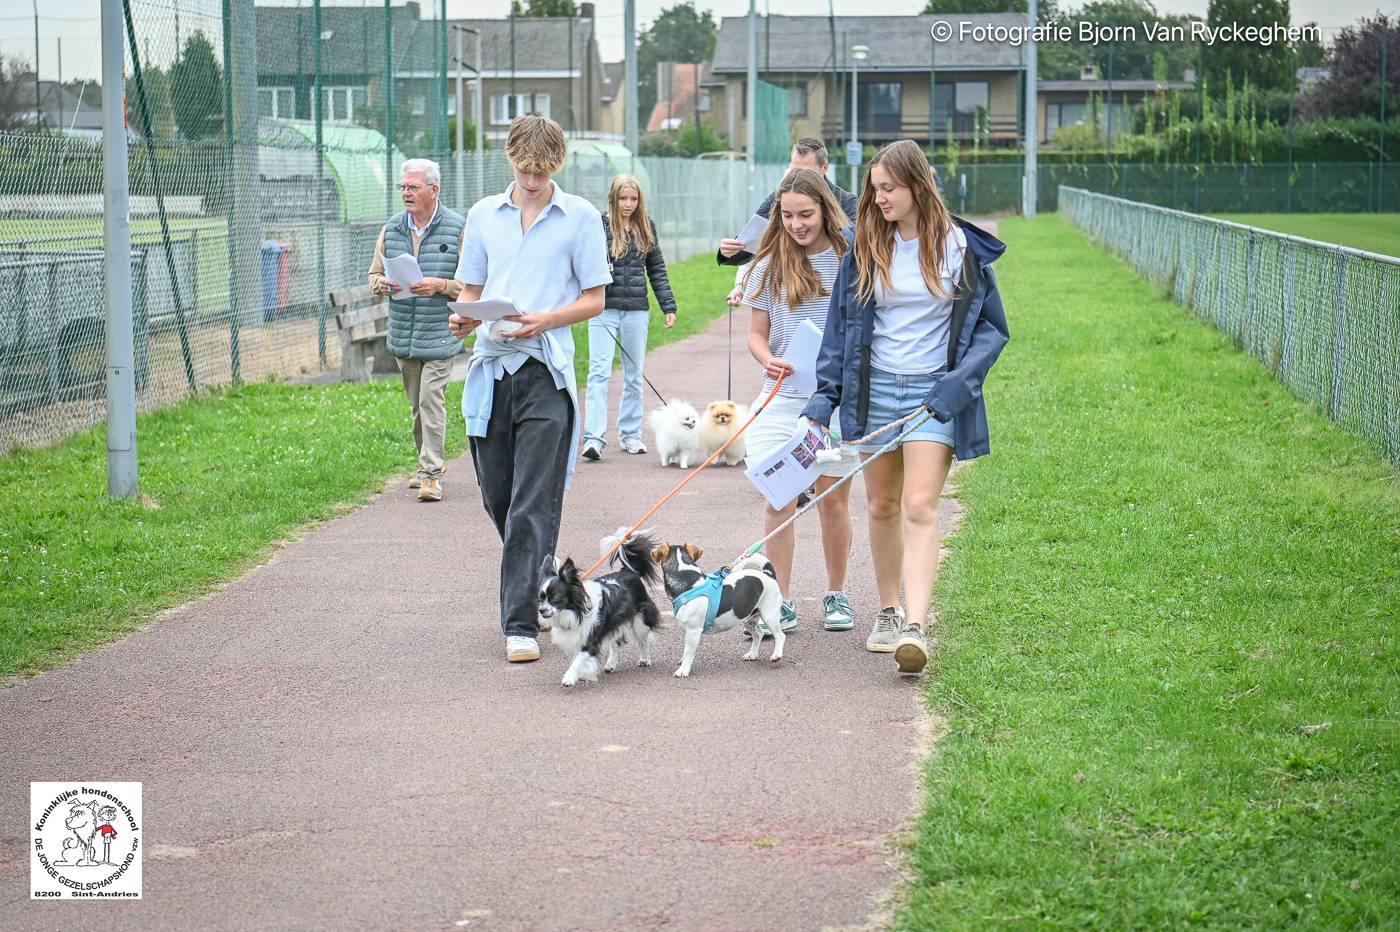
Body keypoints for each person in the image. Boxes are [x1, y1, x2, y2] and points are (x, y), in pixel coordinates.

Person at [802, 139, 1010, 676]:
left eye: (888, 188)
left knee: (920, 505)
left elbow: (991, 331)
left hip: (931, 396)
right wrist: (824, 399)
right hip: (874, 394)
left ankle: (916, 627)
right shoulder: (867, 246)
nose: (879, 198)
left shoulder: (959, 247)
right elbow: (840, 329)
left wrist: (955, 388)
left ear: (918, 185)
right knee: (881, 506)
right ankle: (889, 610)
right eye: (875, 189)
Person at [448, 115, 611, 664]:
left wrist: (547, 320)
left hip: (546, 371)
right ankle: (541, 576)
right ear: (510, 160)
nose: (534, 180)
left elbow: (595, 299)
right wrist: (465, 318)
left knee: (531, 504)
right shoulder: (483, 216)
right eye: (524, 170)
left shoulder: (581, 217)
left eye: (543, 171)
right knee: (498, 497)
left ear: (557, 164)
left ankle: (520, 624)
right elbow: (471, 288)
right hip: (491, 372)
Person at [740, 167, 861, 634]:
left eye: (805, 214)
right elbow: (756, 335)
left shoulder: (850, 258)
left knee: (832, 501)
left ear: (825, 210)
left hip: (834, 400)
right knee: (779, 498)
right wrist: (767, 358)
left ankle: (836, 594)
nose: (797, 224)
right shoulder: (769, 264)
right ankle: (780, 600)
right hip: (782, 396)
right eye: (787, 216)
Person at [367, 158, 467, 503]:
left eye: (413, 187)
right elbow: (372, 275)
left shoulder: (457, 228)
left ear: (433, 190)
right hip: (403, 334)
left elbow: (469, 284)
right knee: (416, 407)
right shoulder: (391, 228)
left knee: (430, 400)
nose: (406, 194)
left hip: (441, 331)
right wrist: (382, 284)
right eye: (403, 188)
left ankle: (430, 473)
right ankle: (426, 463)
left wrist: (439, 284)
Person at [581, 173, 677, 461]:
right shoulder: (599, 226)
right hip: (602, 310)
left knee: (634, 375)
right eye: (623, 198)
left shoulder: (647, 228)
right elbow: (583, 263)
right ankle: (593, 439)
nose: (628, 204)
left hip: (637, 310)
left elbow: (657, 269)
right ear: (613, 198)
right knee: (599, 373)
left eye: (633, 199)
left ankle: (631, 435)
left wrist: (668, 305)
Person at [716, 137, 859, 308]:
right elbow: (749, 241)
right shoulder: (778, 198)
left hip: (835, 292)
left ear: (824, 168)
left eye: (806, 214)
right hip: (791, 291)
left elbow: (860, 248)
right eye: (793, 170)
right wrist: (727, 252)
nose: (797, 224)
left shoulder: (846, 201)